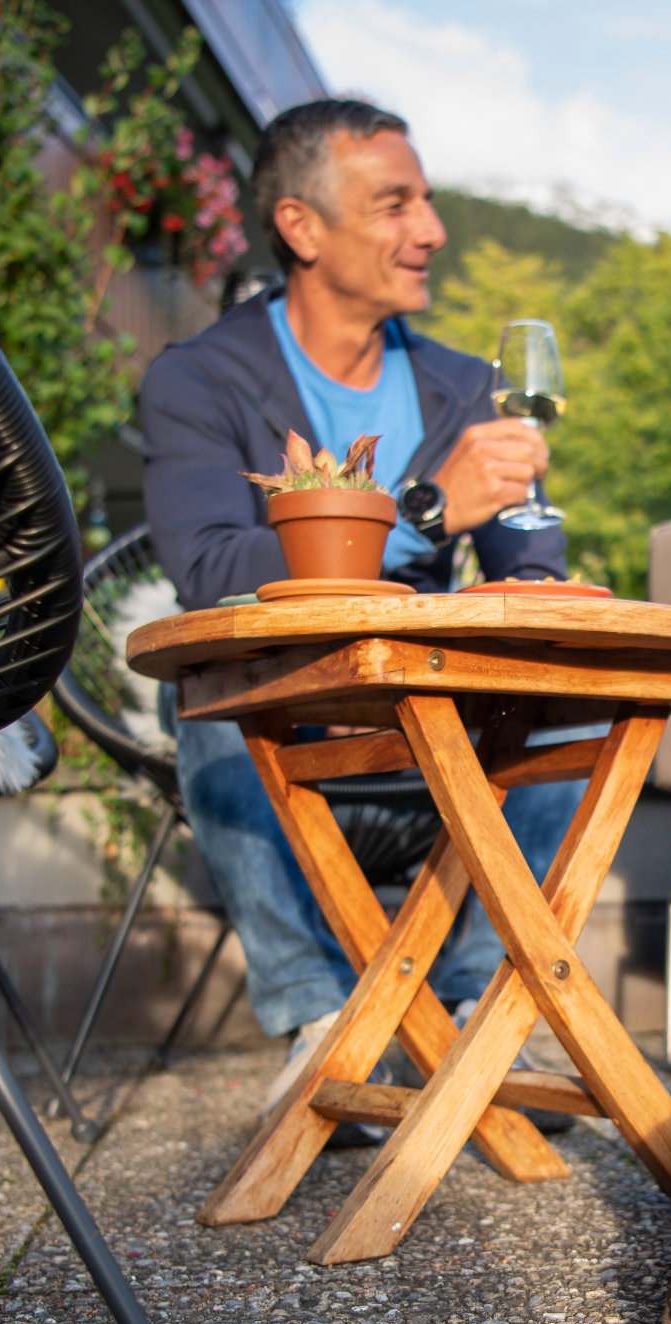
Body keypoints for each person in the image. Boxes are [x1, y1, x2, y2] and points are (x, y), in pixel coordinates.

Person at [140, 99, 579, 1120]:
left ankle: (472, 1011)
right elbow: (211, 569)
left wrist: (532, 562)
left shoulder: (465, 388)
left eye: (424, 202)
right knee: (210, 704)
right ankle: (324, 1023)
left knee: (578, 708)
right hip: (285, 739)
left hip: (433, 737)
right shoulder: (201, 380)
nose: (429, 229)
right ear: (300, 227)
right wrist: (428, 512)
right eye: (395, 204)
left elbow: (527, 571)